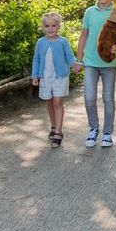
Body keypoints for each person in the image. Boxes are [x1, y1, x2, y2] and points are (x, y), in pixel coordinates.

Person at [76, 0, 116, 148]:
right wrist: (79, 60)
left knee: (108, 98)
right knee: (89, 97)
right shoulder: (89, 12)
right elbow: (84, 35)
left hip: (109, 63)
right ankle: (93, 128)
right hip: (90, 62)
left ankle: (108, 133)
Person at [31, 12, 81, 148]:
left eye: (53, 25)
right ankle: (53, 126)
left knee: (57, 102)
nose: (50, 28)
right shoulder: (40, 42)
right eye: (47, 26)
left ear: (59, 27)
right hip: (45, 78)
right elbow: (36, 59)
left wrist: (75, 64)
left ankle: (58, 132)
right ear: (43, 27)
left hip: (60, 77)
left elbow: (70, 56)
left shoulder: (63, 41)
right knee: (49, 102)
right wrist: (34, 75)